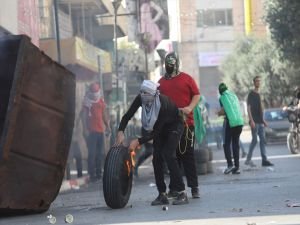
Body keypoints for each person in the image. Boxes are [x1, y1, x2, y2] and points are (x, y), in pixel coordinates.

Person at [115, 80, 189, 206]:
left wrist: (138, 141)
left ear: (153, 94)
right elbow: (127, 116)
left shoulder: (163, 103)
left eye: (146, 93)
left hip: (174, 126)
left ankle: (182, 192)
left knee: (168, 154)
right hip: (160, 129)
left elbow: (155, 133)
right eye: (141, 93)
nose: (143, 95)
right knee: (156, 159)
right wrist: (121, 130)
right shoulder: (141, 98)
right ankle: (162, 194)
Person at [158, 52, 200, 199]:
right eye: (167, 64)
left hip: (187, 124)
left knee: (187, 155)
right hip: (169, 127)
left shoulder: (187, 79)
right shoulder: (160, 83)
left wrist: (189, 108)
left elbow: (196, 95)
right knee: (171, 156)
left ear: (177, 63)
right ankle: (174, 187)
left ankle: (194, 187)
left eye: (172, 63)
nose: (170, 66)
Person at [82, 82, 110, 182]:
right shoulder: (86, 102)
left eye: (96, 92)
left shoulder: (100, 101)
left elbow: (104, 114)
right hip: (91, 132)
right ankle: (91, 174)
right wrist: (85, 130)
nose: (95, 94)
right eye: (93, 92)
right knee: (92, 154)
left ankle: (99, 173)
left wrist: (107, 126)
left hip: (100, 131)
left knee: (100, 153)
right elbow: (84, 117)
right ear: (90, 92)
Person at [245, 76, 274, 167]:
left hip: (260, 122)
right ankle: (248, 159)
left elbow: (260, 108)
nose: (258, 83)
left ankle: (264, 160)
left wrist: (263, 120)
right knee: (254, 141)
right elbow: (248, 108)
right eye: (257, 81)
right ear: (254, 83)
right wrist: (251, 120)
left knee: (262, 140)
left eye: (259, 81)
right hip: (254, 121)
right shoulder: (251, 94)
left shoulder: (259, 94)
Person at [217, 83, 244, 174]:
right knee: (236, 144)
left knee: (226, 144)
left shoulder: (222, 97)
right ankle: (237, 167)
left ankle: (230, 165)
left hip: (230, 122)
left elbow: (223, 111)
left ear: (220, 91)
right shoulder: (233, 95)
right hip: (240, 122)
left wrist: (218, 113)